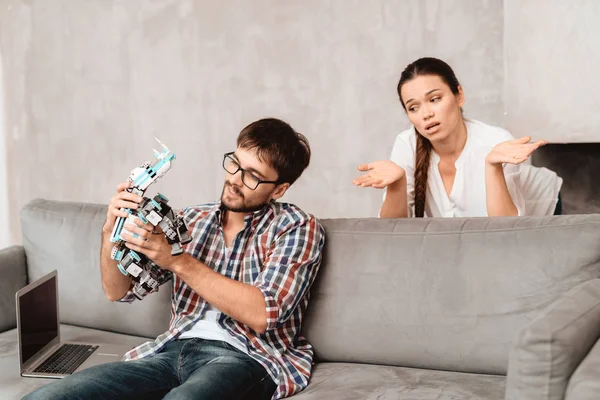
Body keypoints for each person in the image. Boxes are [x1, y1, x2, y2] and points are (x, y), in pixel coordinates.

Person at [24, 118, 325, 400]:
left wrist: (177, 261)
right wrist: (110, 231)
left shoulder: (297, 226)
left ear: (280, 189)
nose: (234, 179)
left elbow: (264, 314)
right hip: (170, 351)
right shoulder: (190, 219)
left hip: (246, 357)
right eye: (234, 163)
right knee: (51, 396)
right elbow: (118, 291)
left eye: (253, 176)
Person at [353, 57, 563, 218]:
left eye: (434, 99)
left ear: (459, 95)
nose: (426, 114)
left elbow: (506, 229)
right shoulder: (407, 145)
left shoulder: (495, 141)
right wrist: (397, 183)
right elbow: (393, 231)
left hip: (544, 207)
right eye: (413, 107)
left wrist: (492, 167)